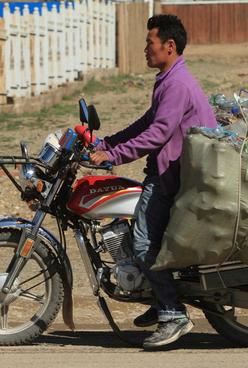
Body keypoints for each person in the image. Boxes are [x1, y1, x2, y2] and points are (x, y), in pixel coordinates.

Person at [90, 14, 217, 350]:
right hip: (171, 169)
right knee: (138, 233)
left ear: (169, 46)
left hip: (172, 175)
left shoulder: (176, 84)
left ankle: (173, 313)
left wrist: (114, 157)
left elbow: (158, 134)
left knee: (144, 242)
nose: (145, 49)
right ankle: (157, 299)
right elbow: (148, 122)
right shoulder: (168, 79)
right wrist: (106, 143)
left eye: (150, 43)